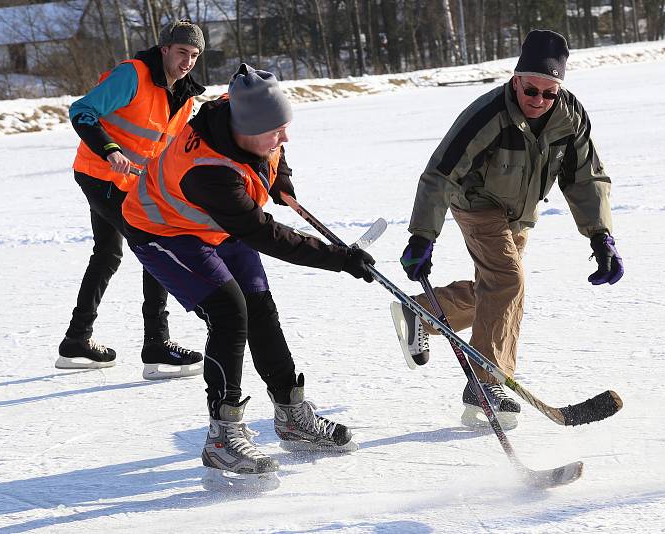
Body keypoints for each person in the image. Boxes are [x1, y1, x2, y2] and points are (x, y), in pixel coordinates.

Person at [121, 64, 376, 487]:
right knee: (228, 312)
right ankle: (223, 435)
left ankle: (292, 414)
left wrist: (282, 181)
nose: (284, 137)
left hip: (215, 223)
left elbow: (275, 152)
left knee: (260, 307)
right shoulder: (210, 172)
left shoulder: (244, 113)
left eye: (285, 126)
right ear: (246, 129)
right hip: (163, 228)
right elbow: (266, 235)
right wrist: (340, 259)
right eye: (275, 131)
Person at [390, 30, 624, 431]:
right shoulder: (488, 115)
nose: (538, 100)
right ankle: (484, 388)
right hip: (477, 202)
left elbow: (585, 178)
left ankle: (423, 313)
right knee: (508, 280)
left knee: (496, 288)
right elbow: (440, 175)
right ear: (516, 78)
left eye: (549, 93)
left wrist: (601, 236)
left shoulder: (570, 118)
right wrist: (423, 235)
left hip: (521, 213)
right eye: (531, 89)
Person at [58, 20, 206, 379]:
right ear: (165, 49)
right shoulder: (133, 76)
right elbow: (82, 110)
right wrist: (109, 149)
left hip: (132, 183)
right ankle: (156, 346)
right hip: (100, 175)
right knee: (153, 244)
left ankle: (76, 341)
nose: (187, 61)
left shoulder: (184, 98)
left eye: (195, 55)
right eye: (182, 52)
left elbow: (167, 150)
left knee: (108, 253)